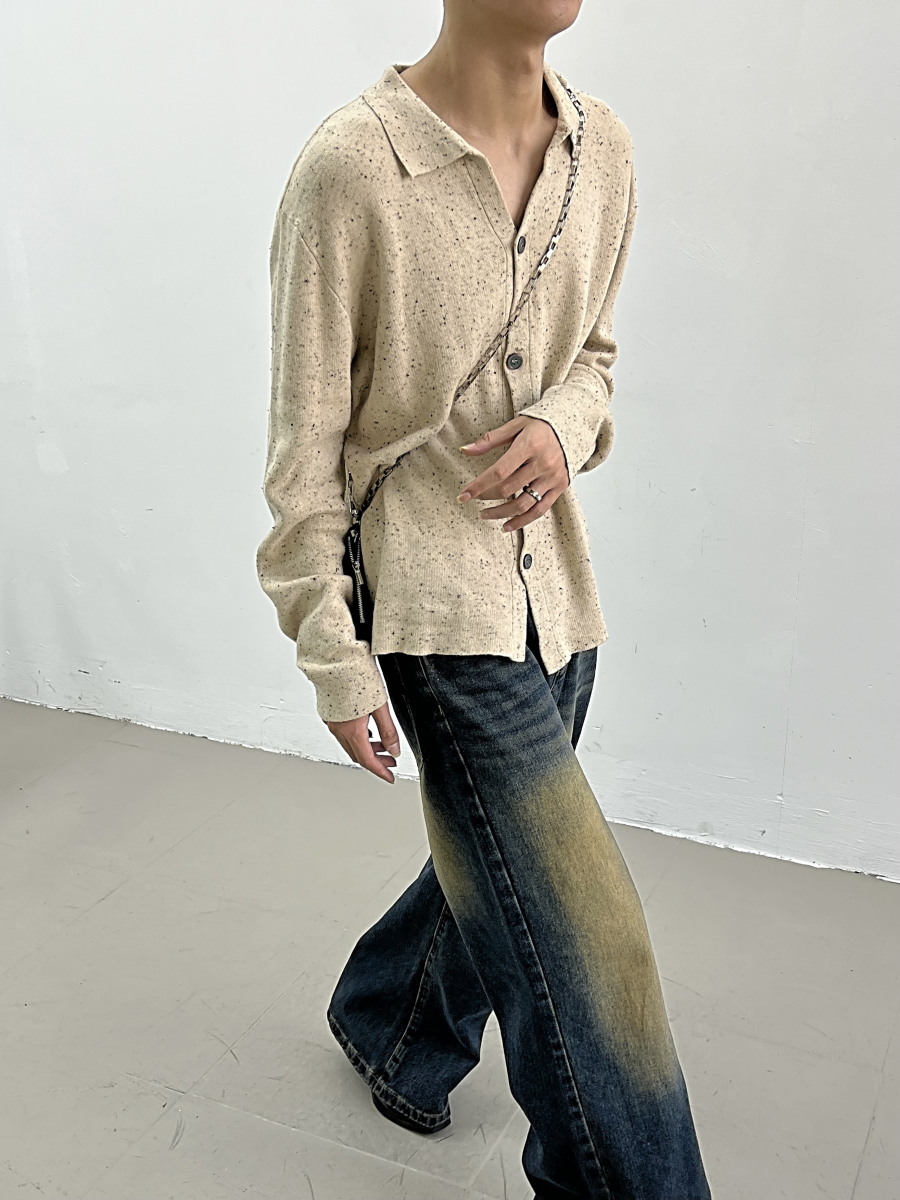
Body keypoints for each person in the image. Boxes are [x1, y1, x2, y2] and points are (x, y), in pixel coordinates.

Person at [257, 1, 711, 1196]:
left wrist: (564, 425)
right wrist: (334, 655)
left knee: (498, 866)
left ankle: (393, 1023)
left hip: (555, 593)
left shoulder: (602, 149)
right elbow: (304, 455)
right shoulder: (352, 169)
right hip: (429, 603)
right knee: (593, 953)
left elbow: (596, 357)